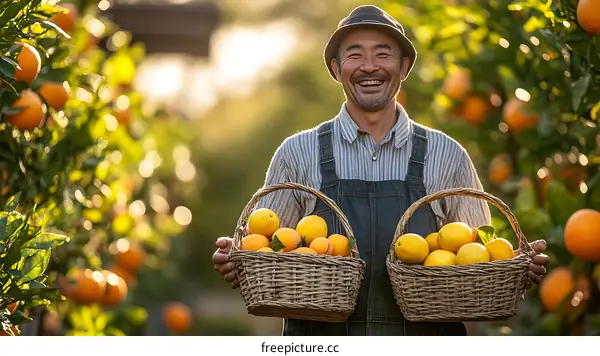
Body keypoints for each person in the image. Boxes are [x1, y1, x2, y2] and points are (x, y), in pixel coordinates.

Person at [212, 5, 549, 336]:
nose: (369, 67)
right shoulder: (298, 153)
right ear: (335, 68)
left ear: (403, 66)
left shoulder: (447, 155)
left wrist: (516, 267)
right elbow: (266, 254)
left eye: (382, 54)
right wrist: (236, 260)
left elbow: (479, 263)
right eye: (354, 55)